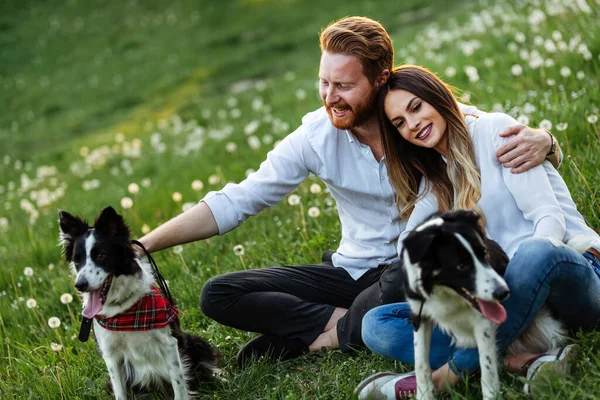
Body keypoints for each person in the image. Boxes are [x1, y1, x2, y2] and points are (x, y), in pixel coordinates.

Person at [137, 17, 561, 366]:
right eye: (324, 82)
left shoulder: (412, 119)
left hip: (406, 268)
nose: (329, 97)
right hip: (351, 271)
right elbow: (239, 199)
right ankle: (343, 327)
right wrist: (145, 244)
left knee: (404, 274)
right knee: (219, 293)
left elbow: (476, 130)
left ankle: (319, 336)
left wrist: (546, 141)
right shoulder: (316, 136)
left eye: (343, 86)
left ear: (380, 79)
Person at [355, 65, 600, 399]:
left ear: (437, 98)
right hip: (501, 301)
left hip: (570, 274)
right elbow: (408, 247)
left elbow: (549, 221)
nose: (412, 124)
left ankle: (447, 375)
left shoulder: (494, 131)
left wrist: (512, 282)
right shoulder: (434, 180)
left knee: (535, 252)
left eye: (416, 107)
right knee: (376, 324)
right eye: (400, 123)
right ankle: (526, 360)